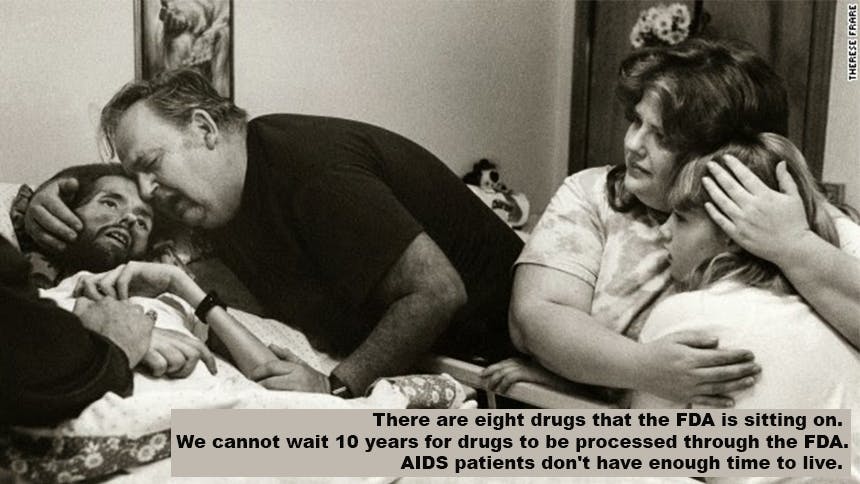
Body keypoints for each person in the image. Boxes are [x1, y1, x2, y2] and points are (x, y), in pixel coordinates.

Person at [24, 69, 524, 398]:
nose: (146, 191)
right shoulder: (212, 194)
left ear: (204, 130)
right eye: (137, 178)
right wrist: (42, 195)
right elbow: (111, 202)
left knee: (244, 449)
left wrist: (336, 386)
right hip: (447, 358)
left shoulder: (308, 169)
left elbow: (437, 290)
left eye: (151, 164)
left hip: (508, 360)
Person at [494, 38, 860, 406]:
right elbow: (534, 318)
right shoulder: (592, 193)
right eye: (636, 121)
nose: (634, 144)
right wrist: (641, 368)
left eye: (662, 136)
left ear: (721, 151)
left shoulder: (795, 214)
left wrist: (793, 245)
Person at [0, 234, 153, 426]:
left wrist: (179, 282)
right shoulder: (33, 289)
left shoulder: (160, 288)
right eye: (110, 205)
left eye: (143, 223)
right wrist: (109, 352)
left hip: (183, 429)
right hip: (151, 431)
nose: (131, 221)